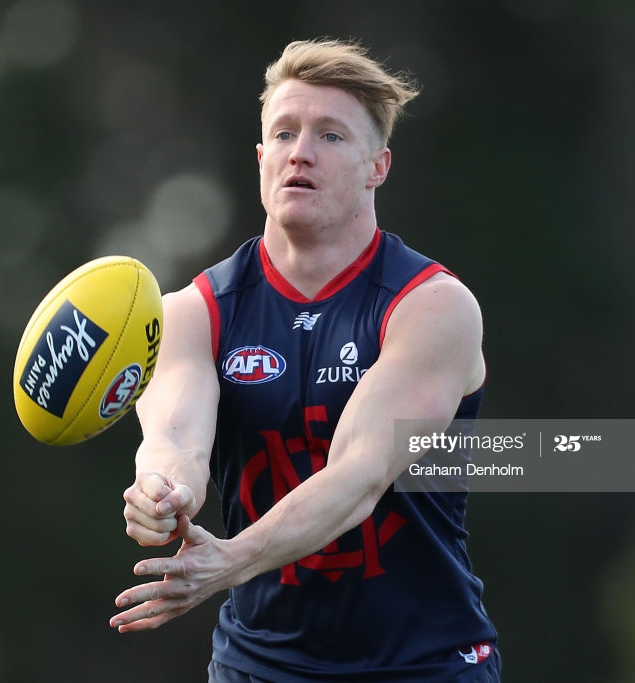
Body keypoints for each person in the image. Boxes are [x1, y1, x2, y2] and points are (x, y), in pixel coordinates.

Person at [109, 38, 500, 682]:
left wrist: (229, 560)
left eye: (331, 136)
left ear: (379, 166)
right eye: (284, 133)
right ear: (261, 158)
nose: (301, 152)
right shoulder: (194, 310)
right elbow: (175, 435)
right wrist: (161, 490)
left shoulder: (431, 308)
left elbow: (357, 476)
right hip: (260, 667)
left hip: (426, 665)